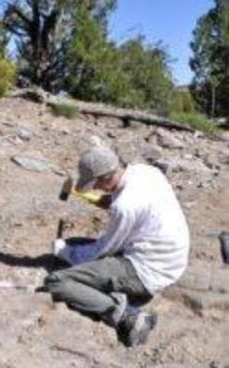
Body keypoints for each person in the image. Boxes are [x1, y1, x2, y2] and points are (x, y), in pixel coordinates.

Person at [42, 146, 190, 347]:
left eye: (95, 184)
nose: (95, 189)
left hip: (148, 270)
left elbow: (103, 250)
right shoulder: (147, 172)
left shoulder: (125, 206)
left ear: (105, 178)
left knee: (57, 281)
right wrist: (92, 200)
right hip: (172, 257)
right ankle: (115, 296)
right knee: (77, 245)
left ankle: (126, 317)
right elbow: (118, 201)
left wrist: (66, 252)